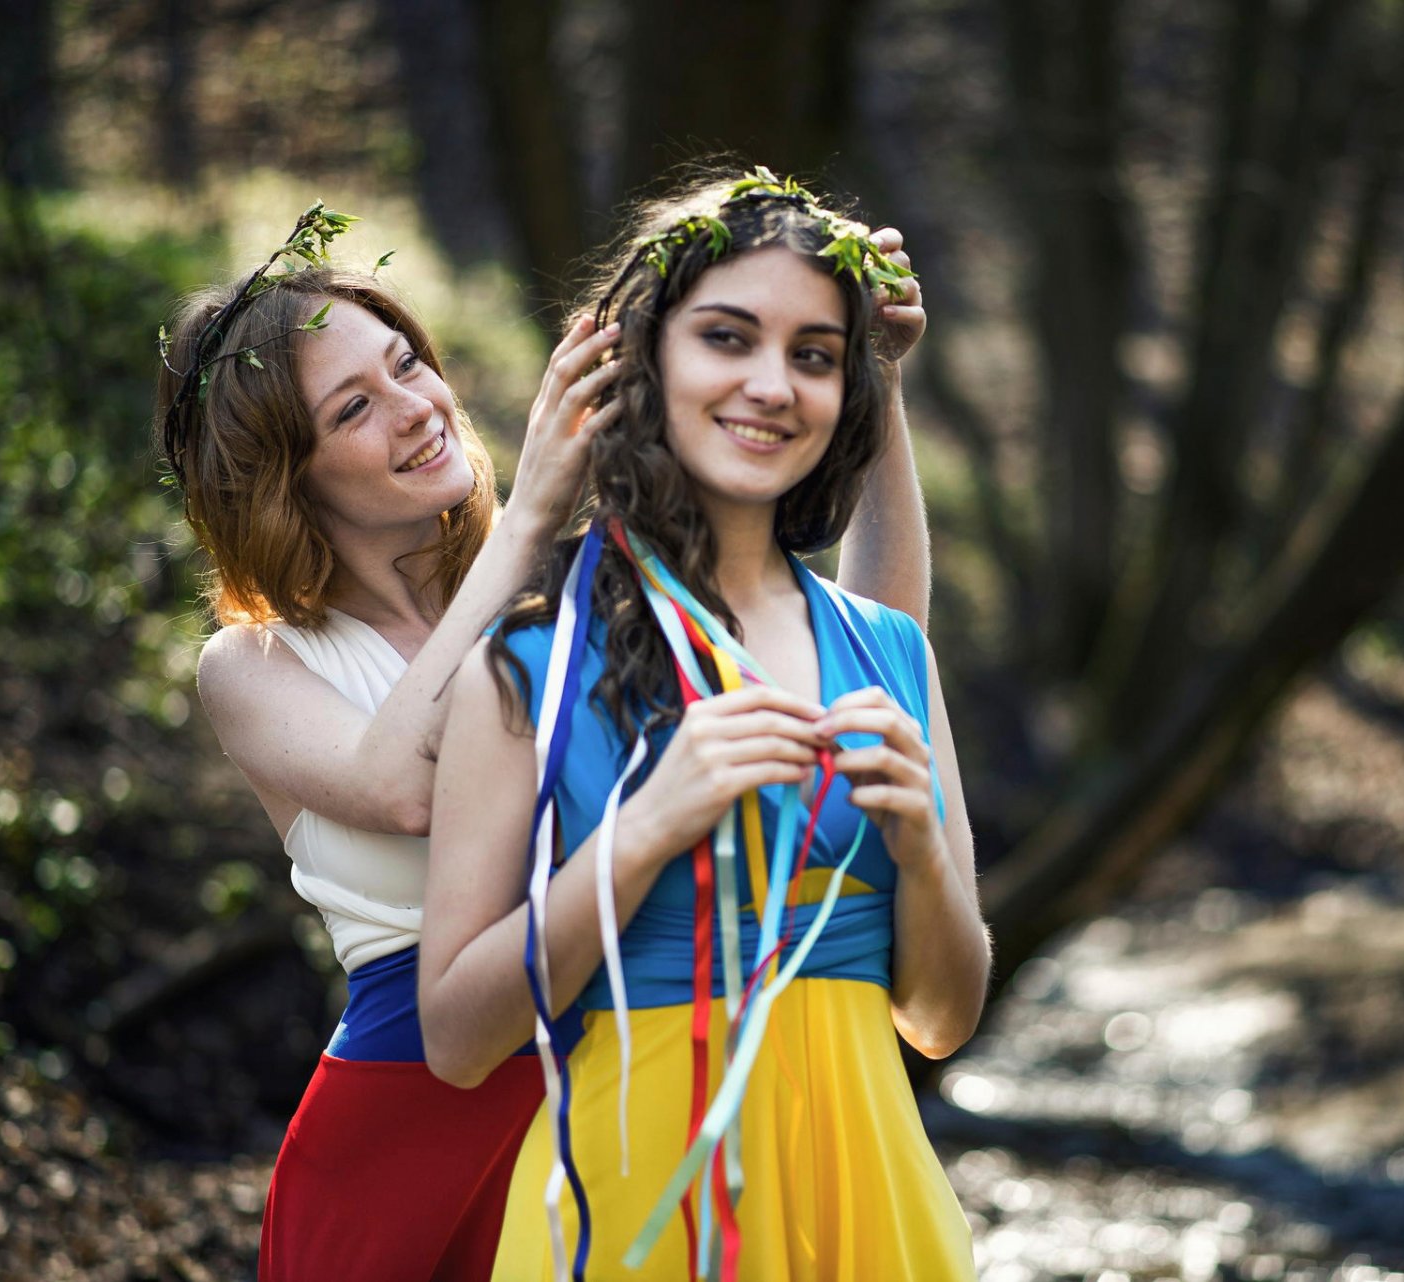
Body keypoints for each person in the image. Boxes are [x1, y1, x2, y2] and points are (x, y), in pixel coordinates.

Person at [153, 199, 933, 1280]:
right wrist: (529, 516)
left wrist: (879, 386)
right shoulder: (258, 667)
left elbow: (868, 655)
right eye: (354, 408)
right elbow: (407, 789)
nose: (416, 407)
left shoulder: (584, 587)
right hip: (402, 1128)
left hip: (616, 1088)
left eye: (408, 365)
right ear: (287, 477)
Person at [418, 171, 988, 1281]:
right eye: (728, 337)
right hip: (637, 1220)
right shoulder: (528, 664)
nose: (773, 385)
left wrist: (921, 852)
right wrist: (639, 834)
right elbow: (456, 1037)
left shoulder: (890, 652)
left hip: (869, 1212)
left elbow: (945, 1016)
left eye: (815, 355)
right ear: (649, 356)